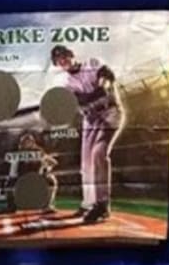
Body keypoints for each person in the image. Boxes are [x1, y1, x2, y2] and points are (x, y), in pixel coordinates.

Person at [50, 44, 124, 223]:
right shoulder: (67, 83)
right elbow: (82, 101)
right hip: (91, 120)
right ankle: (88, 203)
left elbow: (107, 77)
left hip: (110, 113)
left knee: (99, 153)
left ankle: (102, 204)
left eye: (64, 56)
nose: (63, 60)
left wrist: (100, 88)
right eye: (59, 60)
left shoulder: (92, 63)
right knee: (86, 164)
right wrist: (95, 93)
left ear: (71, 55)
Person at [3, 131, 58, 213]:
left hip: (37, 177)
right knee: (9, 182)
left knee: (51, 180)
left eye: (29, 142)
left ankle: (47, 206)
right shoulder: (18, 153)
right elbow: (13, 171)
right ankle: (11, 206)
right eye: (25, 142)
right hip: (22, 178)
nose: (27, 144)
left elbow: (53, 162)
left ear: (33, 143)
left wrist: (46, 168)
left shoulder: (39, 152)